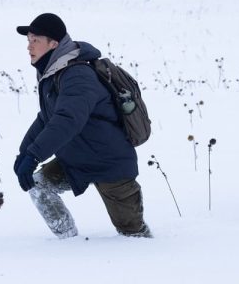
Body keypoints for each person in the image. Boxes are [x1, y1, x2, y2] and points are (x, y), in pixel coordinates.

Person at [13, 13, 151, 238]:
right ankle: (68, 243)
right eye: (28, 40)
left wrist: (34, 155)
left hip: (109, 162)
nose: (29, 47)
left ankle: (155, 263)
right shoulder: (54, 73)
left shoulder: (77, 75)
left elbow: (66, 120)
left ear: (53, 44)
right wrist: (25, 153)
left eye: (35, 40)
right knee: (39, 186)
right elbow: (46, 118)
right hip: (78, 159)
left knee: (134, 235)